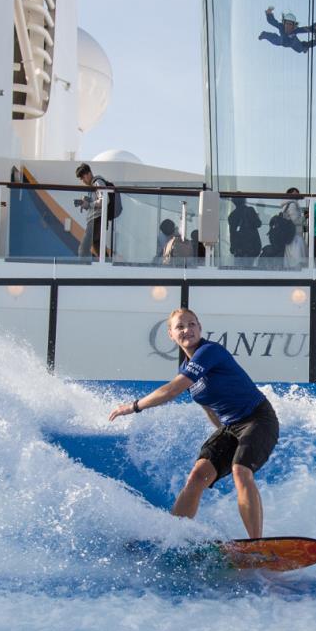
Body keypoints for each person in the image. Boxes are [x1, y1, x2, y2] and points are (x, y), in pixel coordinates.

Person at [109, 307, 278, 539]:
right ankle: (172, 538)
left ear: (200, 328)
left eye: (192, 324)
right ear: (171, 334)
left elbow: (172, 390)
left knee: (241, 470)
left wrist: (133, 406)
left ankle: (257, 543)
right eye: (180, 326)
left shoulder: (209, 351)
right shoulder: (186, 369)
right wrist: (222, 439)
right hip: (230, 427)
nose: (187, 329)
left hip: (258, 418)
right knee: (197, 477)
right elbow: (208, 406)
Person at [74, 162, 112, 260]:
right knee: (100, 252)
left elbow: (105, 200)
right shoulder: (94, 185)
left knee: (83, 250)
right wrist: (88, 202)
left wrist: (89, 204)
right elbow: (99, 200)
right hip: (97, 220)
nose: (82, 180)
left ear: (89, 173)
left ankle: (85, 273)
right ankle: (107, 272)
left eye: (83, 177)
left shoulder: (97, 182)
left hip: (96, 220)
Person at [228, 199, 262, 264]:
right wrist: (257, 217)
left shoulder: (232, 215)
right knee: (248, 269)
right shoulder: (250, 210)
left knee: (239, 271)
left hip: (239, 248)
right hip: (251, 247)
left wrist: (233, 248)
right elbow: (258, 224)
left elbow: (232, 233)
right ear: (244, 201)